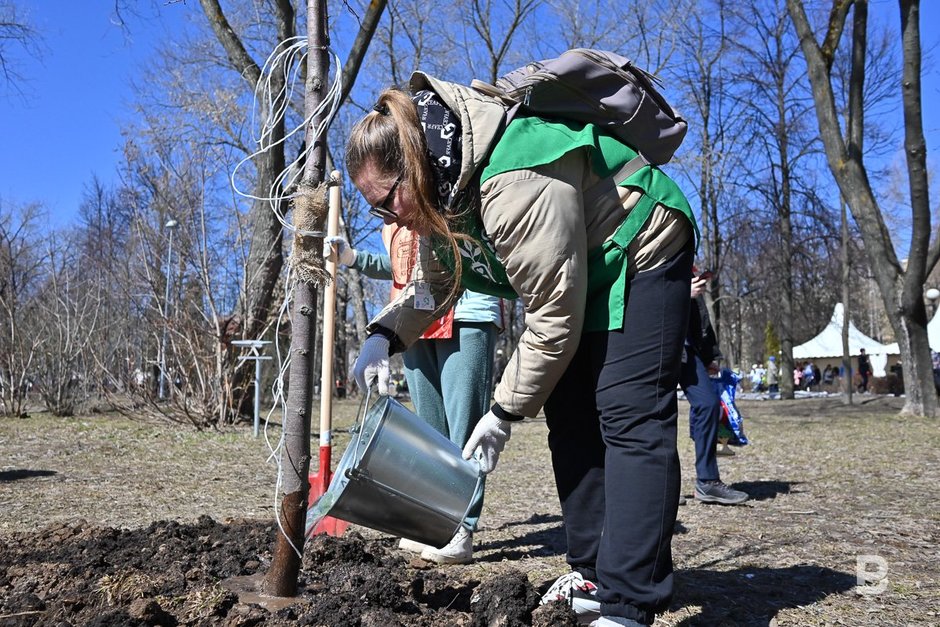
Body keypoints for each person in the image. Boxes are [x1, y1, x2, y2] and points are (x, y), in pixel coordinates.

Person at [347, 71, 697, 627]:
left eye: (387, 201)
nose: (389, 219)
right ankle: (592, 572)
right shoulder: (445, 187)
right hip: (581, 269)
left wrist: (503, 411)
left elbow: (554, 312)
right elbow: (438, 284)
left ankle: (630, 599)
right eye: (377, 212)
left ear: (412, 166)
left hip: (641, 243)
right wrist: (383, 335)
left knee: (629, 417)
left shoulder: (511, 179)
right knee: (571, 416)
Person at [325, 224, 502, 564]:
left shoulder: (447, 188)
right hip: (413, 321)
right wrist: (351, 257)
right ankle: (433, 520)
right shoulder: (392, 219)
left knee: (463, 429)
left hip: (466, 313)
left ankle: (461, 527)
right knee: (428, 433)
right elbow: (399, 266)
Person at [678, 272, 748, 505]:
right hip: (658, 346)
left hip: (689, 351)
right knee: (660, 415)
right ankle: (661, 486)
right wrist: (680, 294)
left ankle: (707, 481)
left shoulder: (690, 267)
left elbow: (701, 315)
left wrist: (710, 355)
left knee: (708, 404)